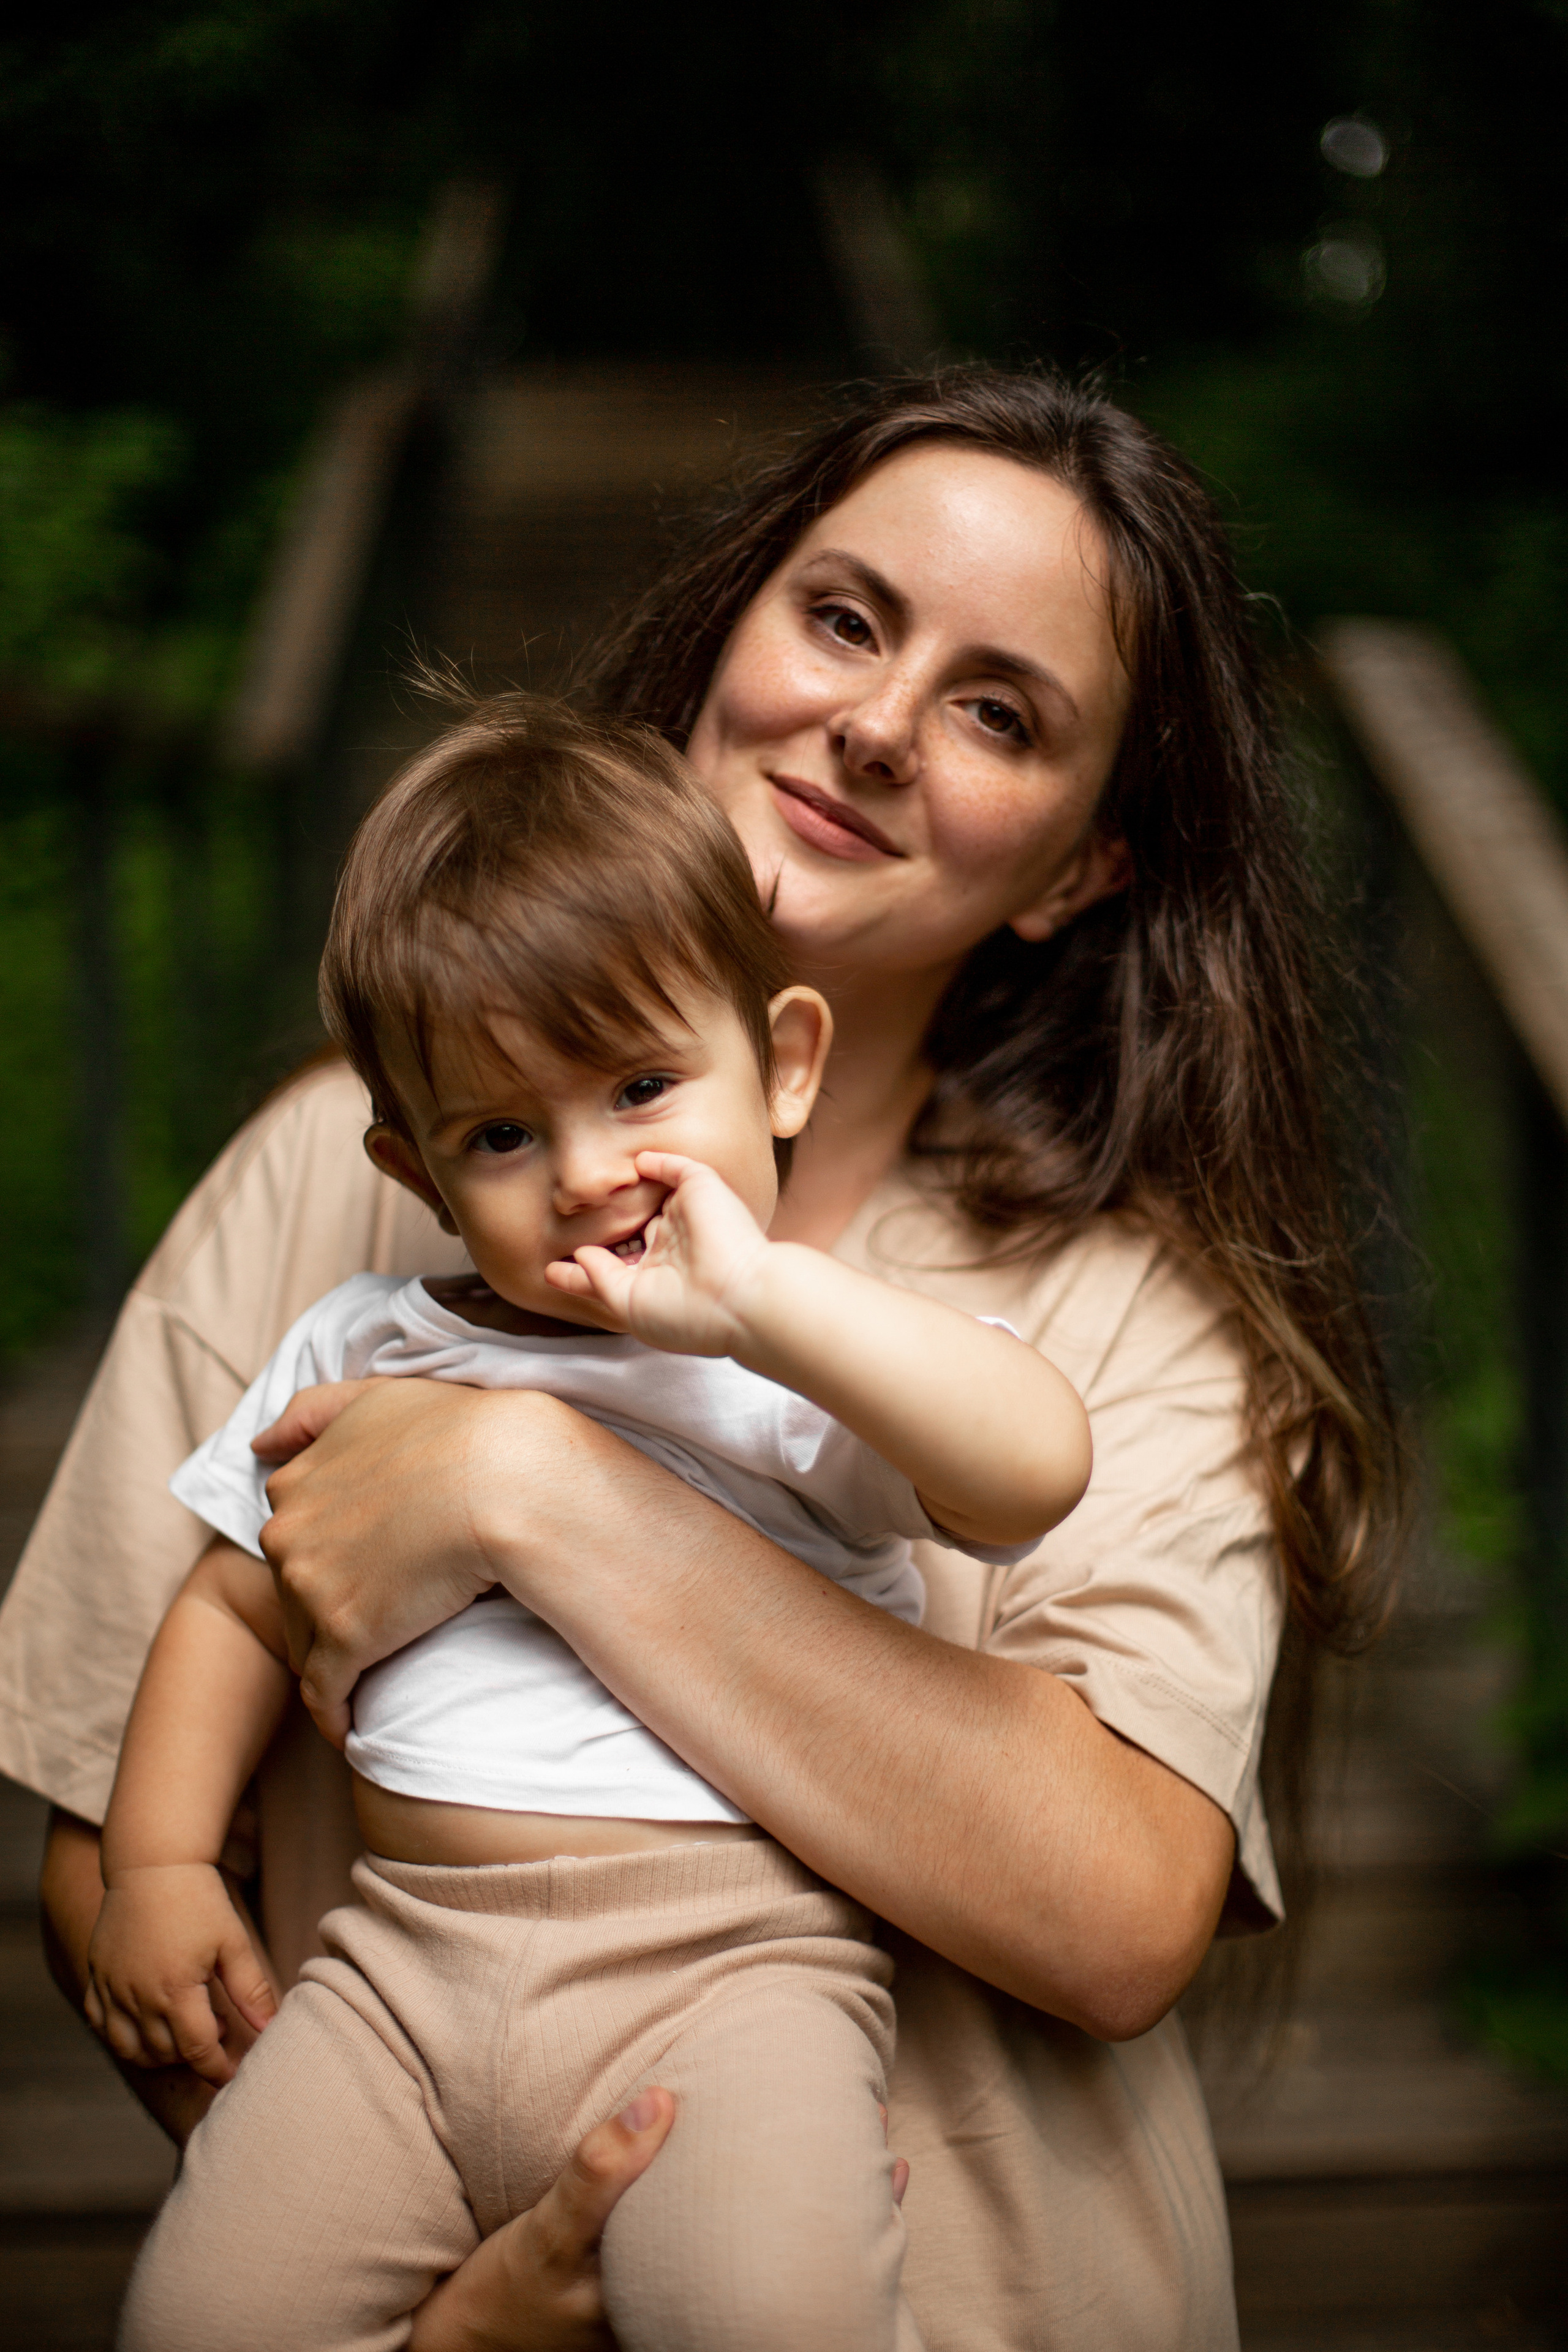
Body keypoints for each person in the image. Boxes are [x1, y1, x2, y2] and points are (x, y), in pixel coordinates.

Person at [1, 366, 1400, 2352]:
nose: (879, 725)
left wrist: (525, 1491)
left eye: (1002, 711)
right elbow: (118, 1856)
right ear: (739, 624)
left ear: (1088, 862)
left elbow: (1114, 1912)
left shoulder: (1128, 1310)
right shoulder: (333, 1175)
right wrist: (476, 2319)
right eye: (843, 617)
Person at [89, 701, 1091, 2351]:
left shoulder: (794, 1355)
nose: (585, 1172)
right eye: (503, 1134)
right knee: (198, 2317)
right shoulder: (366, 1345)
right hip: (395, 1984)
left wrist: (770, 1304)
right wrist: (159, 1863)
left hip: (731, 1984)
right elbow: (232, 1606)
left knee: (770, 2313)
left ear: (780, 1067)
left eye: (641, 1086)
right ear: (415, 1170)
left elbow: (1031, 1467)